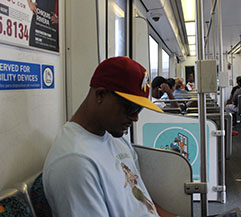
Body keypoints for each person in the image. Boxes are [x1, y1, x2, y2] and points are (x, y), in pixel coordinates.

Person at [42, 57, 177, 217]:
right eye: (131, 107)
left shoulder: (116, 138)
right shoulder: (75, 162)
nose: (135, 118)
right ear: (100, 94)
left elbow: (144, 204)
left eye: (139, 109)